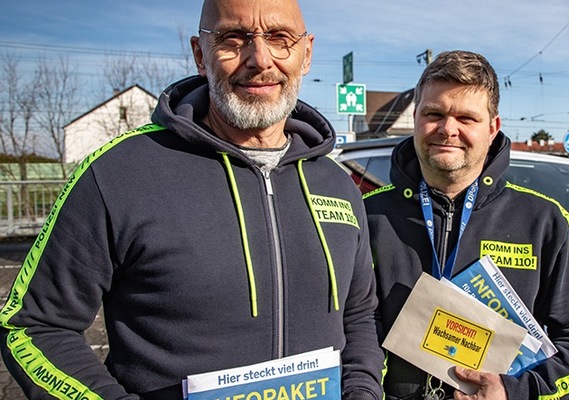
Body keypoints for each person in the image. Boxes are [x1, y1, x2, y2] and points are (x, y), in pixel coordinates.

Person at [0, 0, 383, 399]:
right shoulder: (118, 174)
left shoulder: (338, 185)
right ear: (201, 55)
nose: (259, 59)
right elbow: (33, 327)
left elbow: (359, 315)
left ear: (306, 54)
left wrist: (362, 392)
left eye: (279, 38)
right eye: (233, 38)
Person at [363, 50, 569, 400]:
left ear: (493, 128)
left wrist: (516, 393)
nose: (448, 129)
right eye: (434, 114)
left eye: (466, 118)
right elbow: (347, 329)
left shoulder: (544, 221)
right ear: (416, 117)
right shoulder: (367, 216)